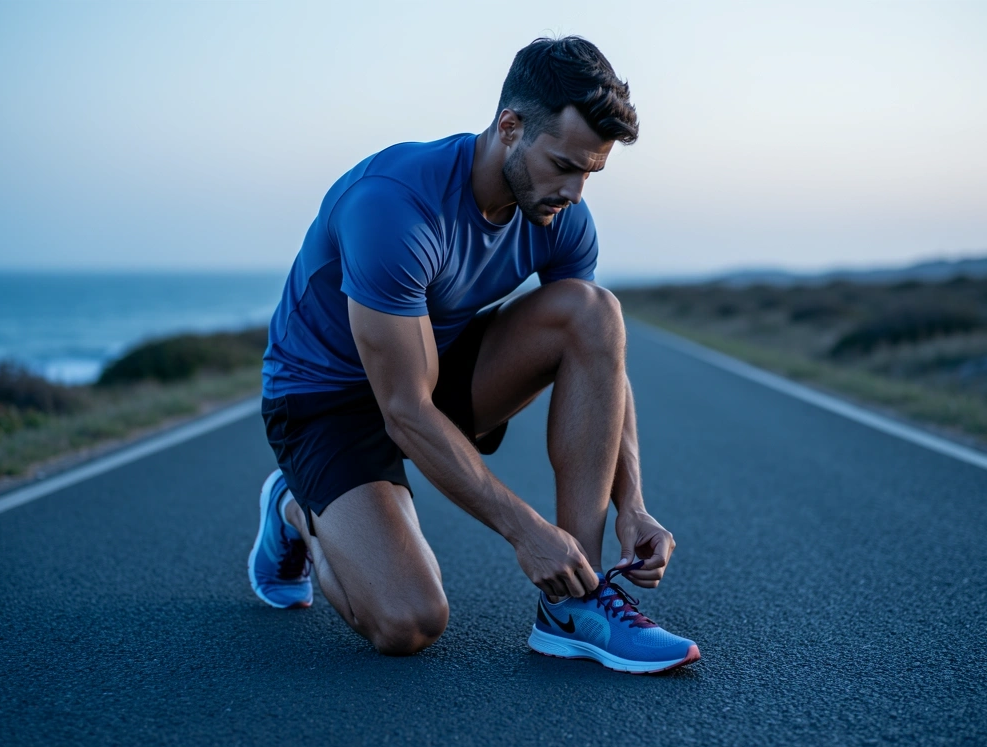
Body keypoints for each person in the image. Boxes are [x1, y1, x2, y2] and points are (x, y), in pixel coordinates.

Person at [248, 36, 699, 673]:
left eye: (590, 173)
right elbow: (403, 411)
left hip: (436, 365)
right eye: (563, 164)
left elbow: (601, 356)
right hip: (327, 403)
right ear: (509, 127)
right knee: (409, 623)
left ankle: (579, 604)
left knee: (595, 310)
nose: (574, 191)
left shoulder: (559, 214)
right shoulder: (393, 208)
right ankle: (298, 509)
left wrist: (634, 503)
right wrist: (527, 532)